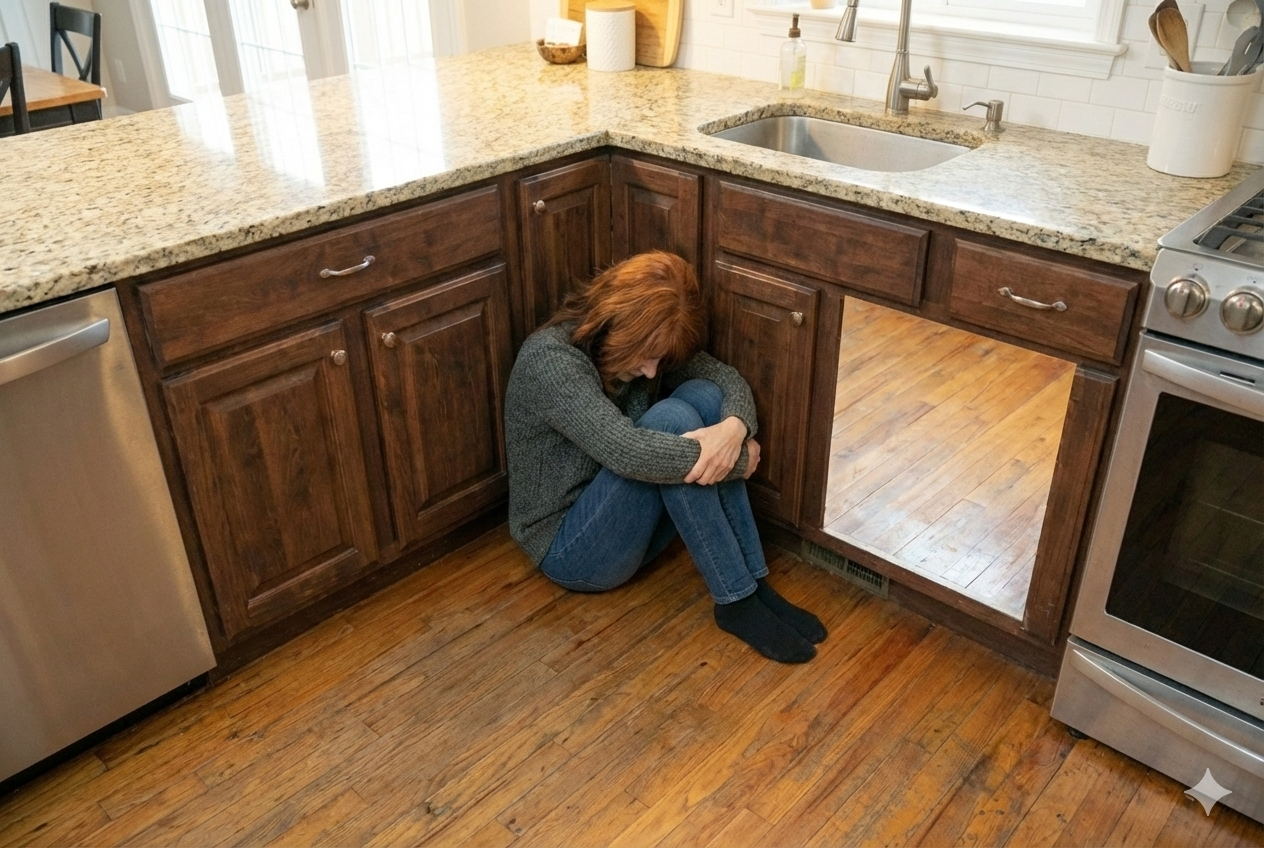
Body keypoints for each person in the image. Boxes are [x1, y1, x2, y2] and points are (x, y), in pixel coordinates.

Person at [504, 251, 827, 663]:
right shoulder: (550, 361)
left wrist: (735, 429)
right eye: (647, 356)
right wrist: (738, 463)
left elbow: (724, 380)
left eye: (661, 359)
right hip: (572, 550)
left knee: (707, 399)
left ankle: (754, 584)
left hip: (632, 525)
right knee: (672, 418)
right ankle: (735, 601)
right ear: (618, 325)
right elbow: (627, 451)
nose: (654, 372)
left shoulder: (639, 346)